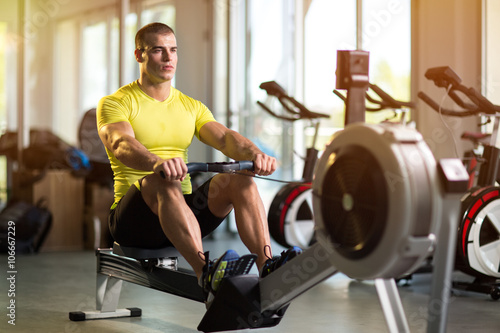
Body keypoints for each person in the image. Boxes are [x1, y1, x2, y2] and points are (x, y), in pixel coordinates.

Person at [97, 22, 300, 306]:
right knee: (163, 182)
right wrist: (157, 162)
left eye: (173, 50)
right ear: (139, 55)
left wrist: (255, 155)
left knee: (240, 178)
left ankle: (268, 267)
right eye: (158, 50)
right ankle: (206, 274)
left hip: (184, 212)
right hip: (134, 220)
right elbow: (120, 144)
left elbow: (227, 138)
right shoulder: (116, 102)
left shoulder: (190, 106)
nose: (168, 58)